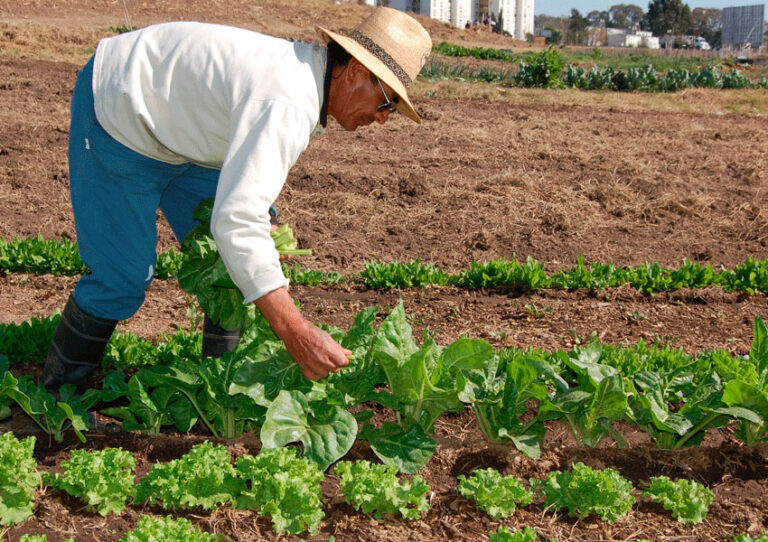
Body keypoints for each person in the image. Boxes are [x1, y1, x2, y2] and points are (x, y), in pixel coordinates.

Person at [43, 7, 432, 390]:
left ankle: (220, 391)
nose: (383, 118)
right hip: (122, 109)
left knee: (229, 265)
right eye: (386, 102)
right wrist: (293, 329)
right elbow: (237, 219)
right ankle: (57, 400)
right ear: (356, 72)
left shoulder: (302, 85)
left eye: (393, 109)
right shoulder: (287, 102)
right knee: (122, 275)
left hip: (182, 132)